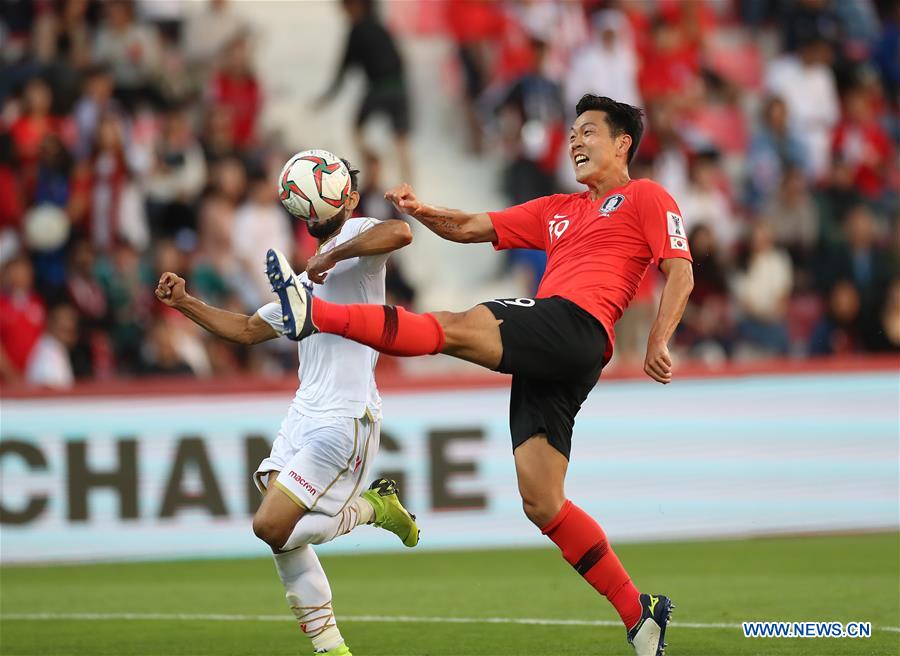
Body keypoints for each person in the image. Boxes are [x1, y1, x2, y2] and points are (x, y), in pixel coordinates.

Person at [266, 95, 694, 656]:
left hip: (578, 324)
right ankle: (640, 614)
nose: (575, 141)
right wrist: (419, 209)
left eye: (589, 132)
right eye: (572, 132)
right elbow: (471, 226)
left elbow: (679, 269)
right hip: (557, 354)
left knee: (459, 325)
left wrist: (659, 339)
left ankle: (314, 314)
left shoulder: (646, 196)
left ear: (623, 143)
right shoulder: (558, 209)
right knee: (542, 501)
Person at [155, 158, 417, 656]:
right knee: (282, 537)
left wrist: (331, 254)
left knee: (270, 526)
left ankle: (371, 508)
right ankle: (329, 645)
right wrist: (186, 303)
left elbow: (399, 232)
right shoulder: (302, 286)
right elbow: (249, 329)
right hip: (302, 414)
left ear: (346, 200)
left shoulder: (358, 244)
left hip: (346, 415)